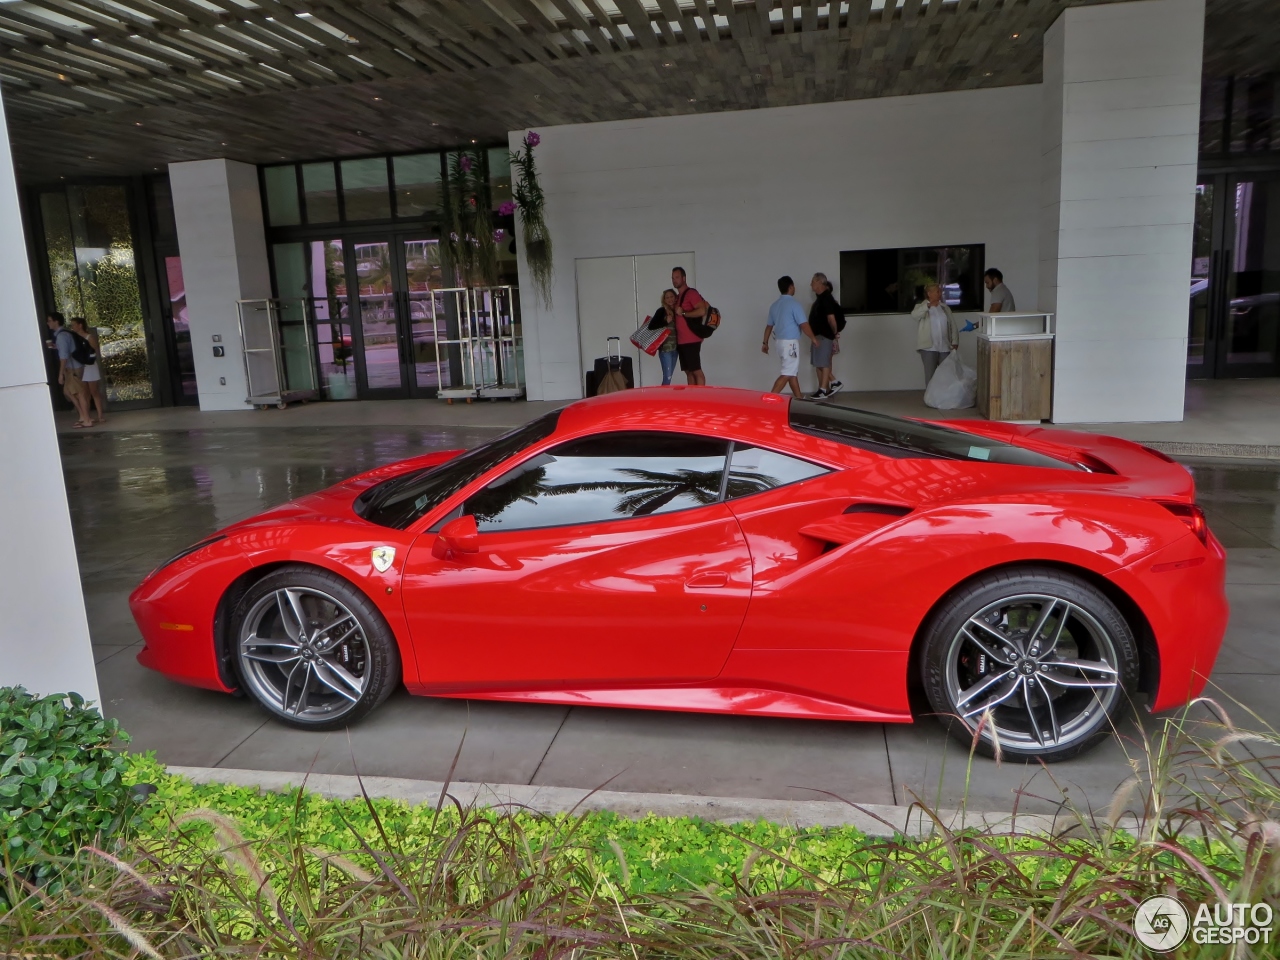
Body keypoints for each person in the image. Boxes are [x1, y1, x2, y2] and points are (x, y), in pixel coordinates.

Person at [762, 276, 820, 397]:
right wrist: (813, 338)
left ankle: (799, 399)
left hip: (779, 343)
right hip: (790, 344)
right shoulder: (794, 304)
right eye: (793, 286)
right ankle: (769, 400)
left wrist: (765, 343)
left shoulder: (774, 305)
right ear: (790, 287)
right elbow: (804, 324)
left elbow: (769, 326)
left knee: (792, 372)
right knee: (787, 373)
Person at [46, 312, 92, 427]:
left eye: (50, 321)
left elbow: (64, 357)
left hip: (72, 368)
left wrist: (61, 374)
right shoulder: (65, 333)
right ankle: (83, 416)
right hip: (75, 367)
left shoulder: (61, 336)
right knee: (68, 392)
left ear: (56, 321)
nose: (48, 323)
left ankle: (86, 419)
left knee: (79, 393)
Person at [912, 282, 958, 387]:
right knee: (930, 375)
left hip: (945, 346)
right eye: (937, 291)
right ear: (929, 293)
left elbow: (953, 325)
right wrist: (928, 305)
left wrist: (955, 341)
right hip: (928, 348)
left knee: (947, 374)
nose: (940, 293)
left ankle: (945, 398)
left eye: (940, 291)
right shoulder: (921, 306)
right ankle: (930, 399)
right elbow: (914, 315)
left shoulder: (944, 308)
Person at [807, 273, 844, 398]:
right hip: (818, 335)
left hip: (824, 335)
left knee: (823, 362)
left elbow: (831, 318)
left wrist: (833, 333)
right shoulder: (820, 299)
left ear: (819, 282)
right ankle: (830, 384)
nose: (811, 284)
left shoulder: (826, 298)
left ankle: (824, 389)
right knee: (819, 362)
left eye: (812, 281)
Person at [671, 266, 708, 385]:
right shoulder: (678, 297)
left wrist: (683, 313)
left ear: (684, 278)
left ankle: (700, 401)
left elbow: (702, 311)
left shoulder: (691, 293)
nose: (674, 280)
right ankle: (692, 399)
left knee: (696, 371)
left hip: (691, 340)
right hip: (682, 341)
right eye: (672, 278)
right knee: (689, 372)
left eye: (677, 277)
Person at [69, 317, 106, 423]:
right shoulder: (74, 338)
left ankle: (100, 415)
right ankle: (87, 416)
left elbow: (94, 350)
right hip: (80, 366)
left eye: (74, 324)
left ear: (80, 325)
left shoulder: (89, 337)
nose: (72, 327)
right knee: (84, 393)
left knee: (94, 391)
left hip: (90, 366)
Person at [645, 288, 681, 385]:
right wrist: (665, 322)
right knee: (667, 378)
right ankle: (662, 398)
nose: (670, 299)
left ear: (675, 297)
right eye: (667, 298)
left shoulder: (678, 311)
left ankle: (664, 397)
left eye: (671, 297)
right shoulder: (662, 311)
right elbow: (651, 326)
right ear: (664, 300)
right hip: (665, 350)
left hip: (675, 349)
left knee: (669, 377)